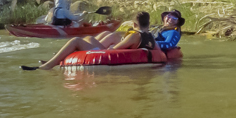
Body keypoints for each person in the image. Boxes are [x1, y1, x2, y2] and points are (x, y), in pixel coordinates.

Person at [23, 11, 156, 70]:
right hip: (124, 51)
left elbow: (114, 50)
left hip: (106, 55)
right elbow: (157, 51)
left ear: (134, 24)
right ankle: (56, 59)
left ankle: (48, 66)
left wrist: (114, 45)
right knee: (97, 36)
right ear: (148, 24)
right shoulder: (151, 37)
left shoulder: (134, 36)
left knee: (76, 40)